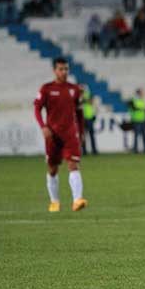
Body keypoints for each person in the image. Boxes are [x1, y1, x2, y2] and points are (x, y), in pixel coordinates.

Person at [34, 57, 87, 213]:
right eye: (61, 69)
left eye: (66, 69)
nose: (64, 72)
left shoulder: (74, 89)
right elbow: (37, 109)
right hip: (53, 135)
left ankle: (77, 200)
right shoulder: (46, 89)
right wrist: (43, 127)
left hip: (70, 134)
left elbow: (79, 113)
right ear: (54, 70)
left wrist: (81, 132)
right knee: (52, 169)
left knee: (73, 164)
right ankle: (54, 202)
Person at [129, 88, 145, 153]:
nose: (143, 94)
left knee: (144, 135)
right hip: (136, 120)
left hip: (142, 120)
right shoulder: (133, 100)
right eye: (142, 92)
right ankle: (135, 149)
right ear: (138, 93)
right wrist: (141, 109)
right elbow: (133, 108)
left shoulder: (142, 100)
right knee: (136, 135)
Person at [82, 87, 98, 155]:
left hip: (89, 117)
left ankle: (94, 150)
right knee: (84, 136)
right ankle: (84, 151)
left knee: (91, 135)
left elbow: (91, 101)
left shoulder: (88, 95)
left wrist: (85, 100)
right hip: (83, 118)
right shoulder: (80, 95)